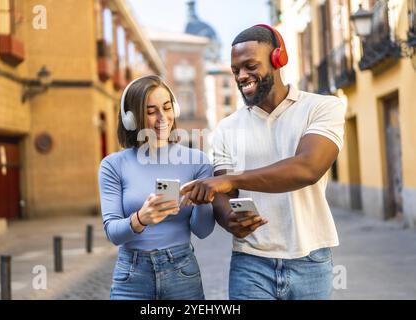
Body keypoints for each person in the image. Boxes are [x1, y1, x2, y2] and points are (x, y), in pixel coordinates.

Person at [180, 24, 347, 300]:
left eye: (249, 66)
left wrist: (232, 179)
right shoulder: (226, 128)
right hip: (250, 263)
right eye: (235, 70)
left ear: (278, 60)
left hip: (312, 260)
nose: (241, 76)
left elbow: (308, 168)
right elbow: (225, 196)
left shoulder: (322, 107)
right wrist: (228, 219)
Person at [99, 75, 215, 300]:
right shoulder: (113, 165)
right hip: (131, 274)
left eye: (167, 107)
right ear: (131, 119)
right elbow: (113, 233)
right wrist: (141, 218)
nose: (163, 118)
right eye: (151, 111)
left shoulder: (198, 161)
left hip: (181, 270)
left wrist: (202, 202)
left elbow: (203, 231)